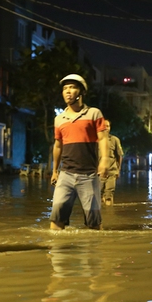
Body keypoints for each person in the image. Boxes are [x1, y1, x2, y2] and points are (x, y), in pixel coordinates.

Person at [50, 74, 109, 230]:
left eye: (72, 87)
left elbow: (103, 138)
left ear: (81, 92)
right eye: (65, 88)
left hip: (89, 175)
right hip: (66, 175)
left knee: (94, 224)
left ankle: (93, 253)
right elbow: (57, 146)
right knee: (56, 220)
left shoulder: (94, 114)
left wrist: (104, 161)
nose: (68, 91)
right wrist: (55, 171)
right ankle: (57, 252)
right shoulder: (59, 119)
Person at [98, 120, 123, 206]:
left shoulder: (114, 140)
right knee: (98, 195)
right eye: (104, 126)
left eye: (108, 126)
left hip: (111, 172)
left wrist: (118, 170)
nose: (106, 128)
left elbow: (119, 155)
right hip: (98, 173)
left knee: (109, 194)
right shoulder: (95, 141)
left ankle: (109, 215)